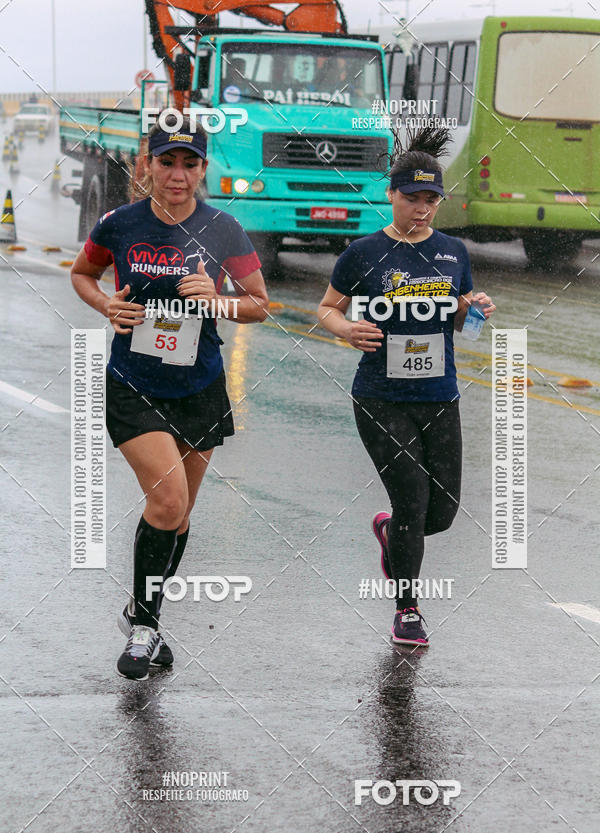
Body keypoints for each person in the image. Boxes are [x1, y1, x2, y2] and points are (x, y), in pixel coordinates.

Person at [71, 114, 268, 679]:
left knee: (179, 516)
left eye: (189, 163)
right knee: (167, 503)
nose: (177, 174)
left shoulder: (224, 228)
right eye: (166, 161)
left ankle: (143, 610)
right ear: (147, 164)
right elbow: (84, 275)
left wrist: (218, 297)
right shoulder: (119, 224)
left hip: (201, 386)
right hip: (134, 383)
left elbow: (259, 302)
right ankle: (144, 630)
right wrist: (106, 305)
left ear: (203, 168)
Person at [317, 127, 495, 646]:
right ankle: (408, 610)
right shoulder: (363, 253)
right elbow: (327, 307)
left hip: (440, 398)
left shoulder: (452, 253)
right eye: (412, 198)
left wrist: (476, 310)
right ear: (391, 195)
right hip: (379, 397)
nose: (422, 209)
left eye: (431, 200)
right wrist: (346, 327)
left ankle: (389, 531)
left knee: (440, 513)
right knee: (413, 501)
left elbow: (463, 324)